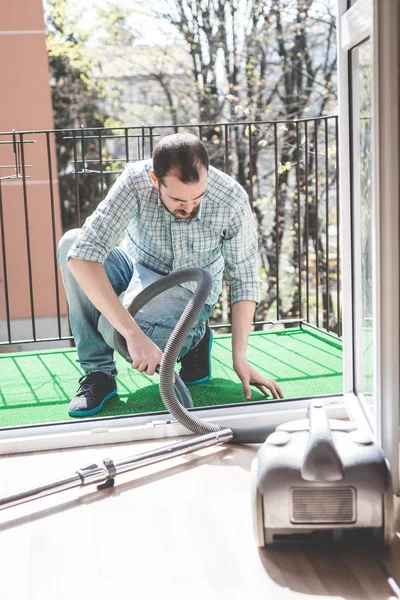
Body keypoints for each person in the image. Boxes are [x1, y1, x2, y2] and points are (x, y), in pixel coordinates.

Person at [57, 133, 283, 417]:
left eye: (198, 198)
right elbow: (81, 256)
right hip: (135, 265)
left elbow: (245, 279)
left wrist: (240, 358)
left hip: (189, 290)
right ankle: (98, 375)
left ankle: (194, 334)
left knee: (111, 327)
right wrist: (133, 334)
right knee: (70, 244)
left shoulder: (231, 198)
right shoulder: (135, 181)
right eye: (177, 199)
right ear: (155, 180)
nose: (189, 208)